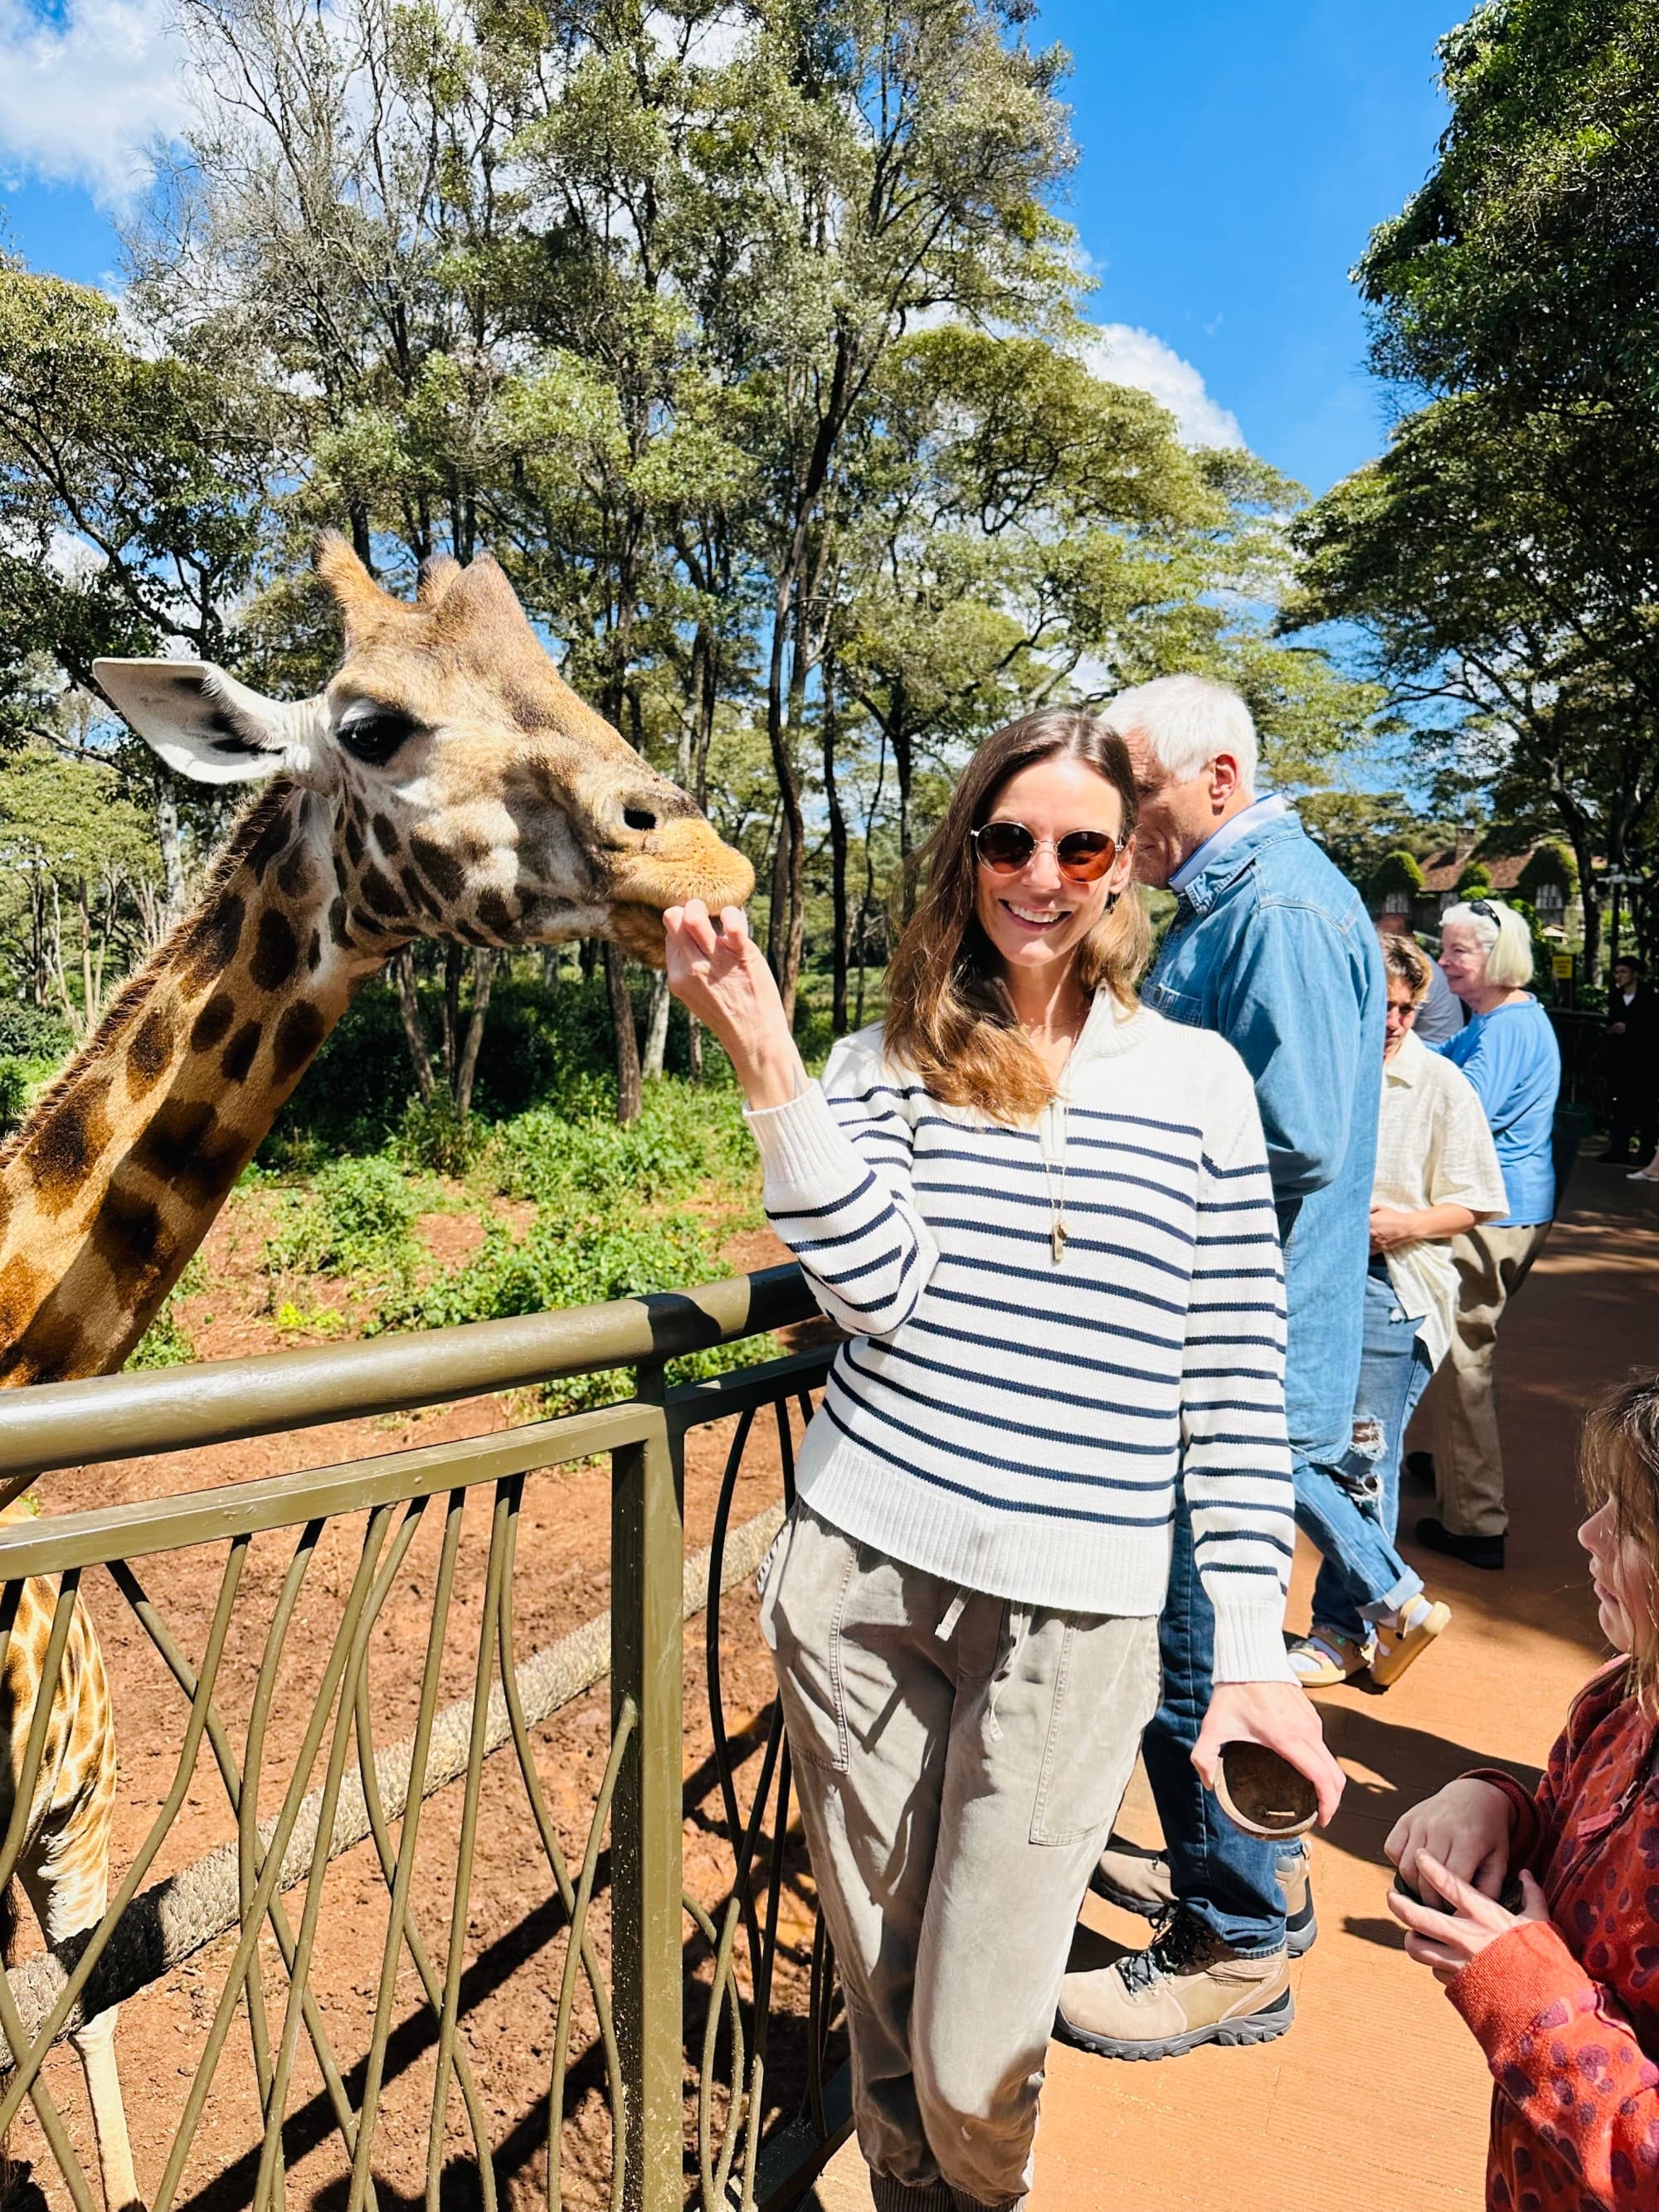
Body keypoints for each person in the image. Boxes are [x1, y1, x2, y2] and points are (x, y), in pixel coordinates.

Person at [662, 708, 1342, 2212]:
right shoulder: (884, 1057)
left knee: (980, 2034)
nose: (1041, 871)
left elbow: (1231, 1380)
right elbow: (870, 1288)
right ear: (968, 854)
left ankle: (965, 2183)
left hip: (1079, 1615)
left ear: (1122, 869)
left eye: (1079, 842)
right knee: (888, 1974)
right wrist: (767, 1050)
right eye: (1009, 839)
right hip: (861, 1581)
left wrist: (1247, 1645)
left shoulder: (1201, 1087)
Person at [1058, 674, 1381, 2061]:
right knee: (1203, 1641)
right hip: (1222, 1352)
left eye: (1128, 793)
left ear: (1220, 780)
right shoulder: (1255, 905)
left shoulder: (1277, 911)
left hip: (1223, 1366)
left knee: (1201, 1655)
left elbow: (1292, 1131)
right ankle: (1250, 1884)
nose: (1112, 823)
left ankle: (1232, 1945)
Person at [1386, 1370, 1659, 2212]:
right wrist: (1497, 1805)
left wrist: (1530, 2007)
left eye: (1633, 1523)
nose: (1586, 1532)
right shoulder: (1622, 1694)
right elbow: (1567, 1813)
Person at [1287, 934, 1506, 1689]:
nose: (1392, 1020)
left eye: (1406, 1007)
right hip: (1311, 1282)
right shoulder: (1319, 1072)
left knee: (1360, 1462)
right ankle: (1390, 1605)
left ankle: (1344, 1630)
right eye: (1378, 1003)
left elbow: (1479, 1199)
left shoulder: (1441, 1083)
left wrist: (1402, 1224)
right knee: (1292, 1443)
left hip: (1392, 1290)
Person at [1413, 898, 1561, 1572]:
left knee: (1464, 1353)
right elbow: (1442, 1057)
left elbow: (1460, 1104)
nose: (1444, 966)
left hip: (1493, 1216)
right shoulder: (1501, 1020)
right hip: (1510, 1208)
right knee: (1455, 1347)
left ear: (1496, 958)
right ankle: (1453, 1466)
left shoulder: (1504, 1030)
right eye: (1442, 952)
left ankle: (1476, 1520)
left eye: (1456, 954)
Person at [1598, 954, 1659, 1174]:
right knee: (1620, 1106)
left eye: (1623, 972)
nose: (1619, 976)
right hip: (1620, 1060)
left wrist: (1630, 1029)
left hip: (1645, 1062)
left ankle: (1646, 1151)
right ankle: (1619, 1148)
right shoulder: (1615, 996)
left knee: (1645, 1108)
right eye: (1616, 972)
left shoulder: (1649, 997)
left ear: (1634, 974)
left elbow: (1652, 1027)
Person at [1376, 903, 1462, 1046]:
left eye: (1391, 937)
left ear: (1409, 939)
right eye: (1380, 937)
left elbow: (1395, 1024)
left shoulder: (1417, 969)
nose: (1385, 944)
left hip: (1435, 1048)